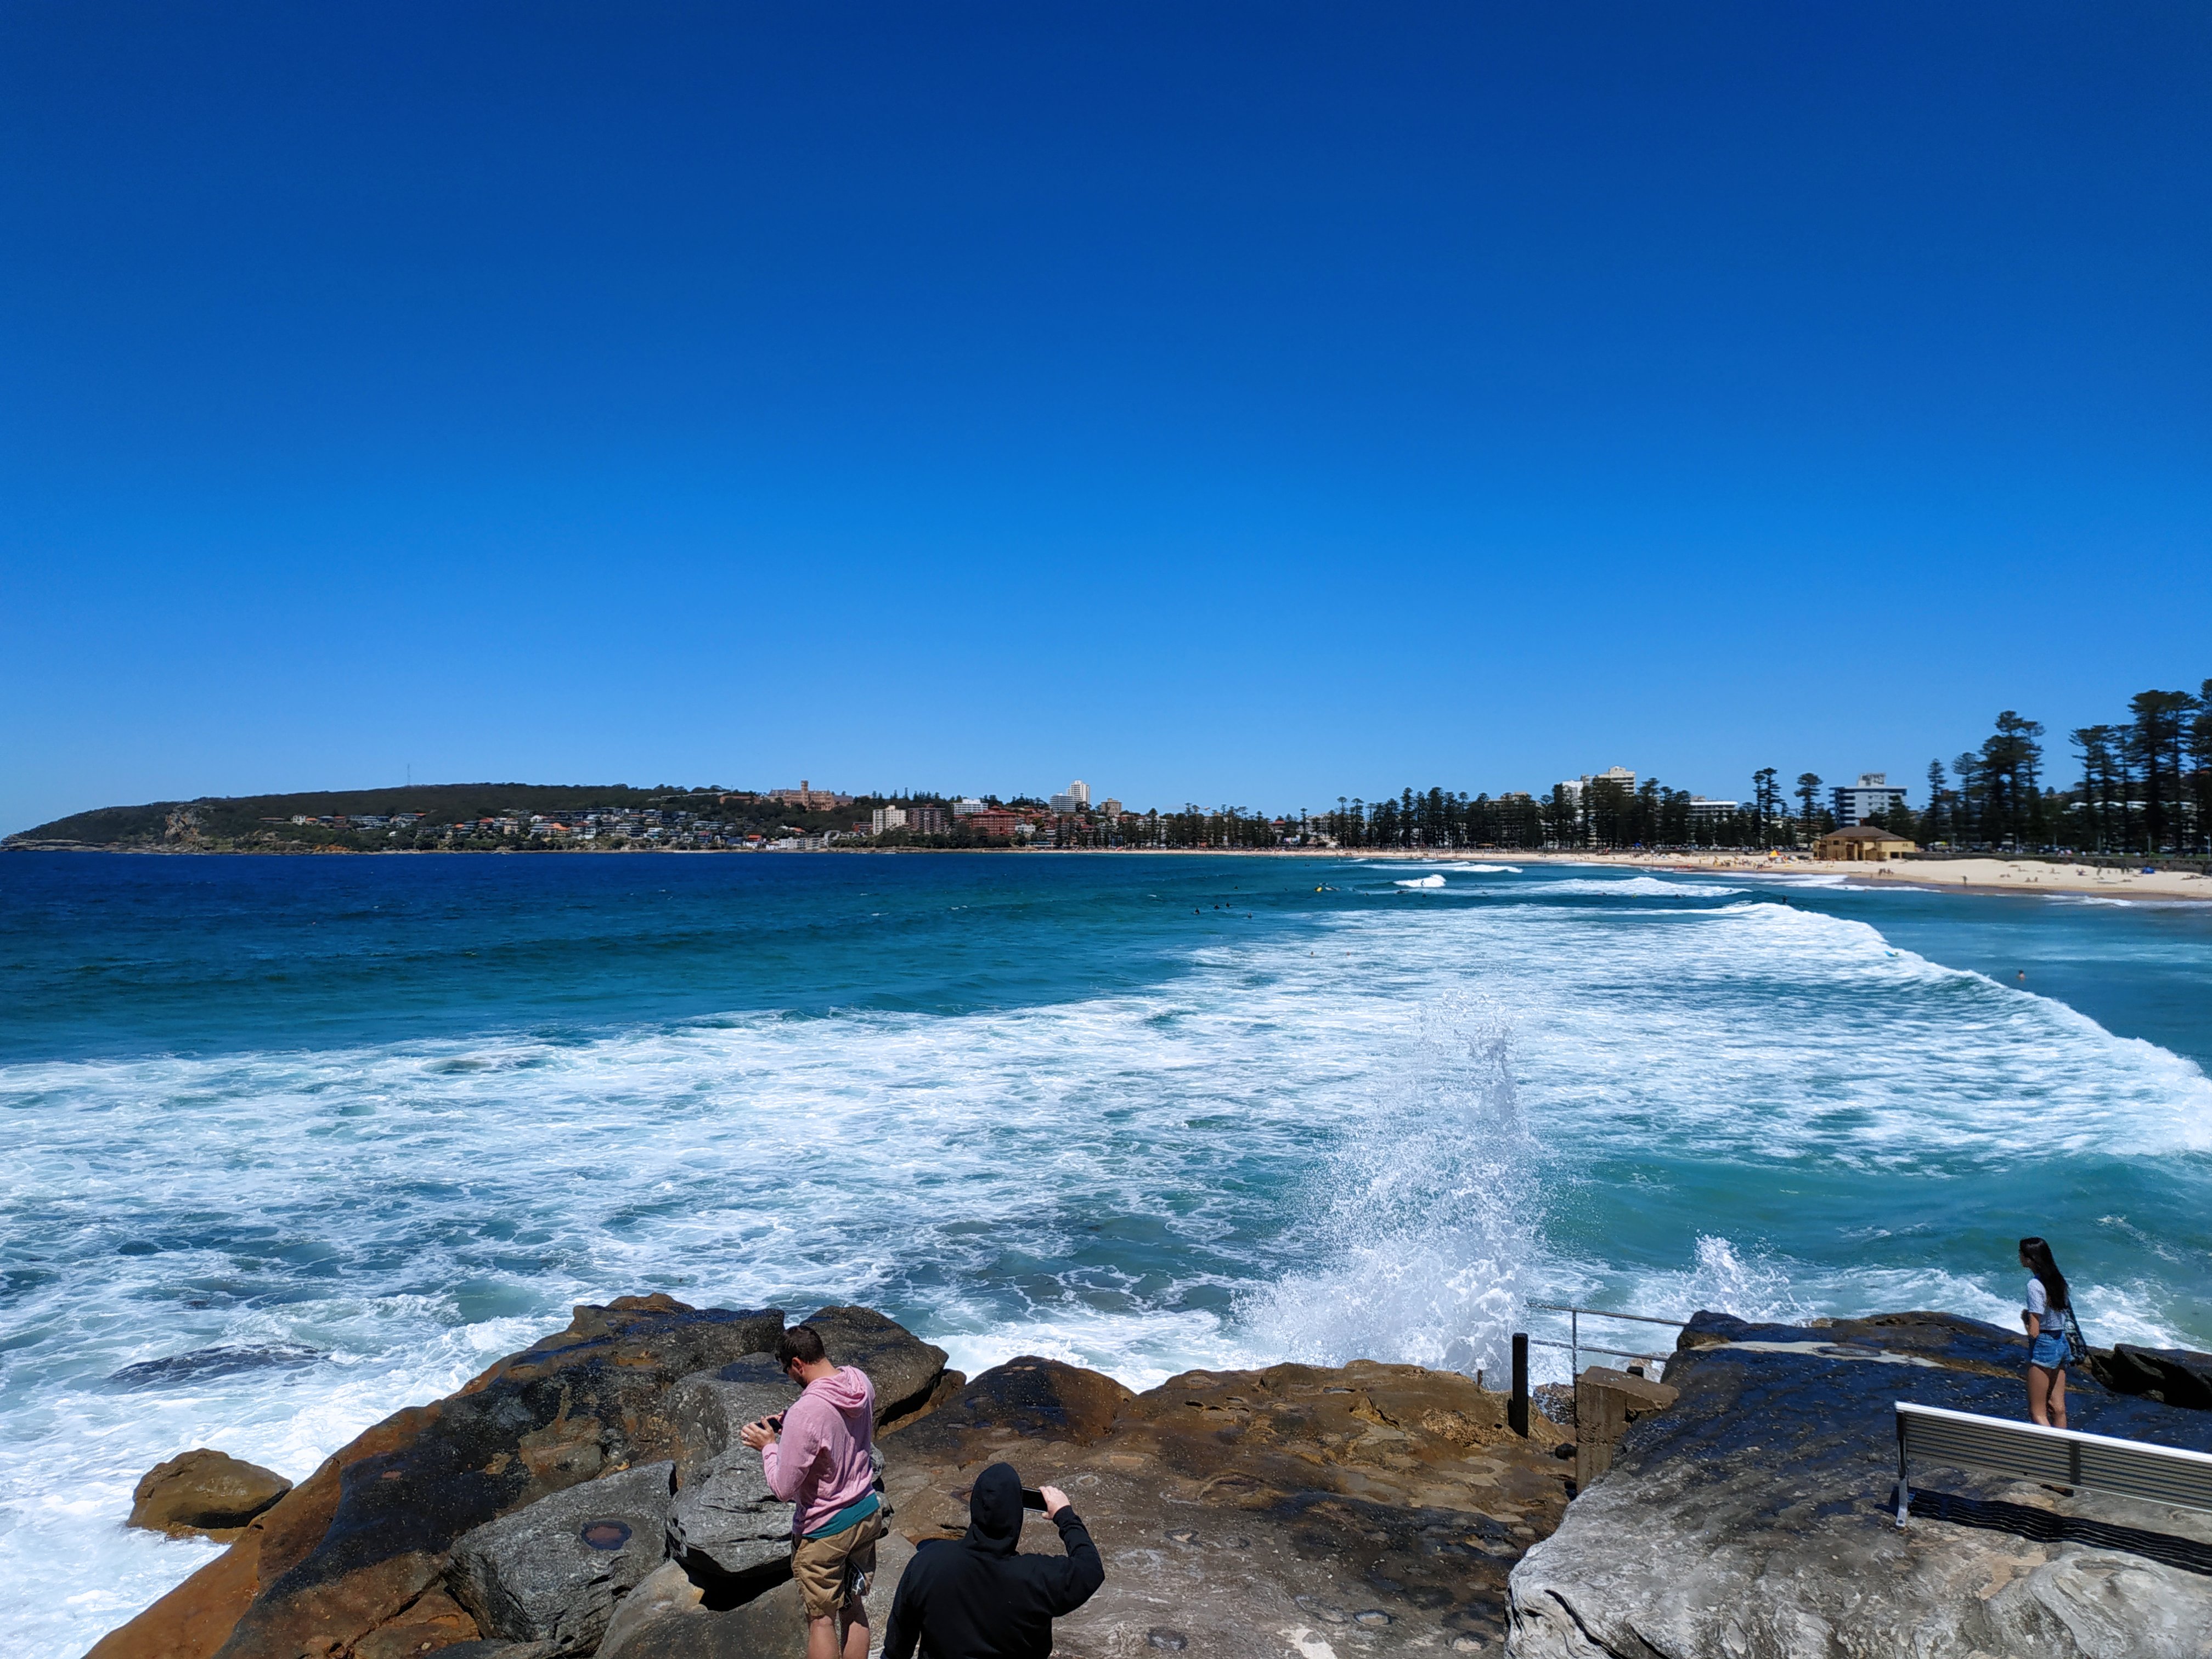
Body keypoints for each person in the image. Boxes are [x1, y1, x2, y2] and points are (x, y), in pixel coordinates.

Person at [739, 1326, 884, 1659]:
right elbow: (833, 1419)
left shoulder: (807, 1413)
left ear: (797, 1364)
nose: (789, 1377)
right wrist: (789, 1419)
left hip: (825, 1529)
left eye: (787, 1371)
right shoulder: (859, 1382)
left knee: (821, 1621)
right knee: (853, 1605)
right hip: (864, 1509)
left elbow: (783, 1488)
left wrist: (768, 1446)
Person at [882, 1462, 1104, 1659]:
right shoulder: (1037, 1577)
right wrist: (1064, 1515)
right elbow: (1091, 1568)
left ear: (974, 1508)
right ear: (1017, 1514)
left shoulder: (927, 1563)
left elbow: (896, 1649)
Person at [2018, 1236, 2074, 1429]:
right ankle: (2064, 1454)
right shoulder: (2058, 1280)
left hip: (2045, 1344)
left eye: (2021, 1254)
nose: (2019, 1257)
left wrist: (2025, 1320)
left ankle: (2049, 1453)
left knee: (2037, 1412)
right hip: (2061, 1343)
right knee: (2058, 1407)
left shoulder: (2034, 1285)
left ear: (2030, 1259)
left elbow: (2034, 1330)